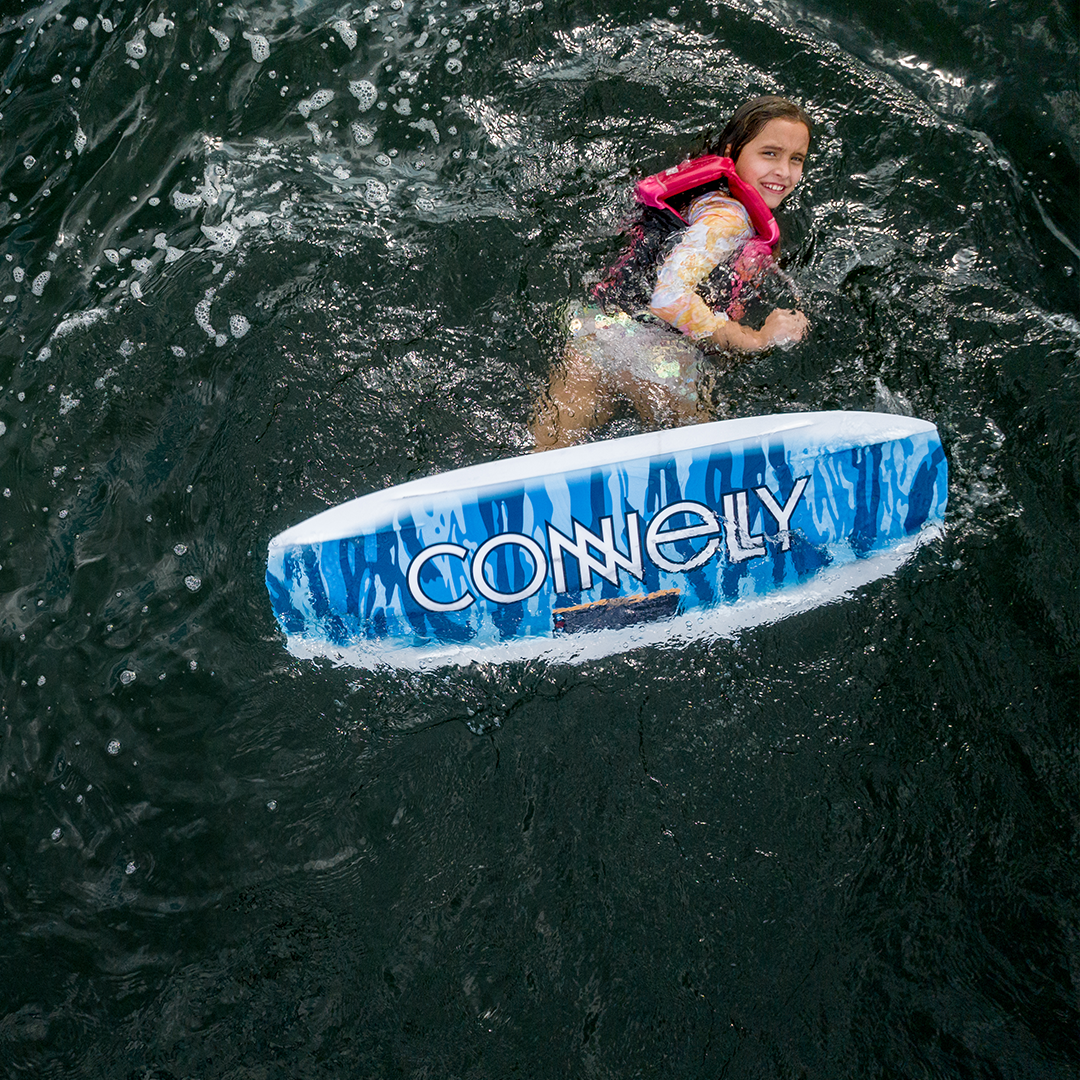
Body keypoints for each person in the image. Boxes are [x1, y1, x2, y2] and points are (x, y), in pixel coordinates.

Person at [531, 95, 812, 450]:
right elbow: (669, 298)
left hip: (596, 331)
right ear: (733, 151)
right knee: (705, 473)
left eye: (796, 159)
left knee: (543, 458)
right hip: (661, 360)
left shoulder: (697, 194)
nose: (784, 171)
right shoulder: (729, 218)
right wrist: (759, 338)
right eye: (769, 154)